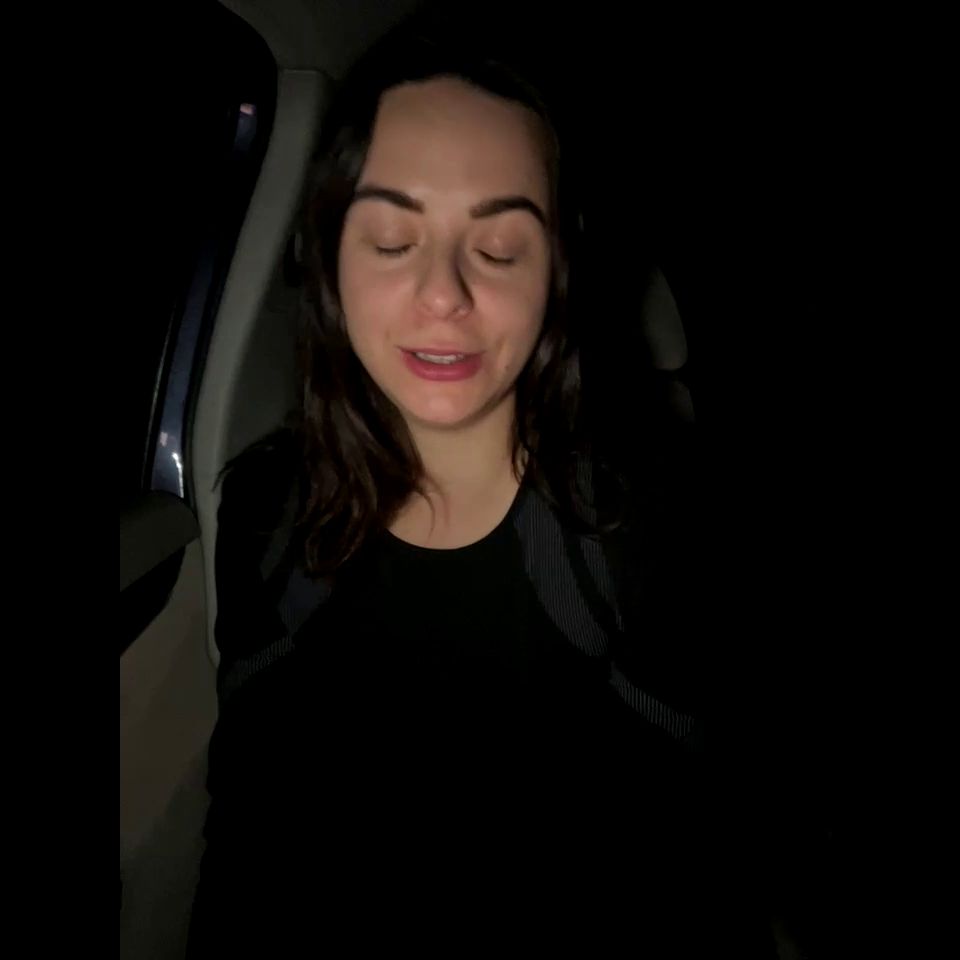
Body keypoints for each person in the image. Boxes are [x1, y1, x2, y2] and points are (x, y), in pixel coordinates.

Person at [187, 21, 776, 958]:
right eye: (392, 240)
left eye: (499, 248)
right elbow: (248, 830)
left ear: (558, 275)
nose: (444, 294)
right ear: (325, 260)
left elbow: (700, 863)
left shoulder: (645, 531)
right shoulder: (270, 509)